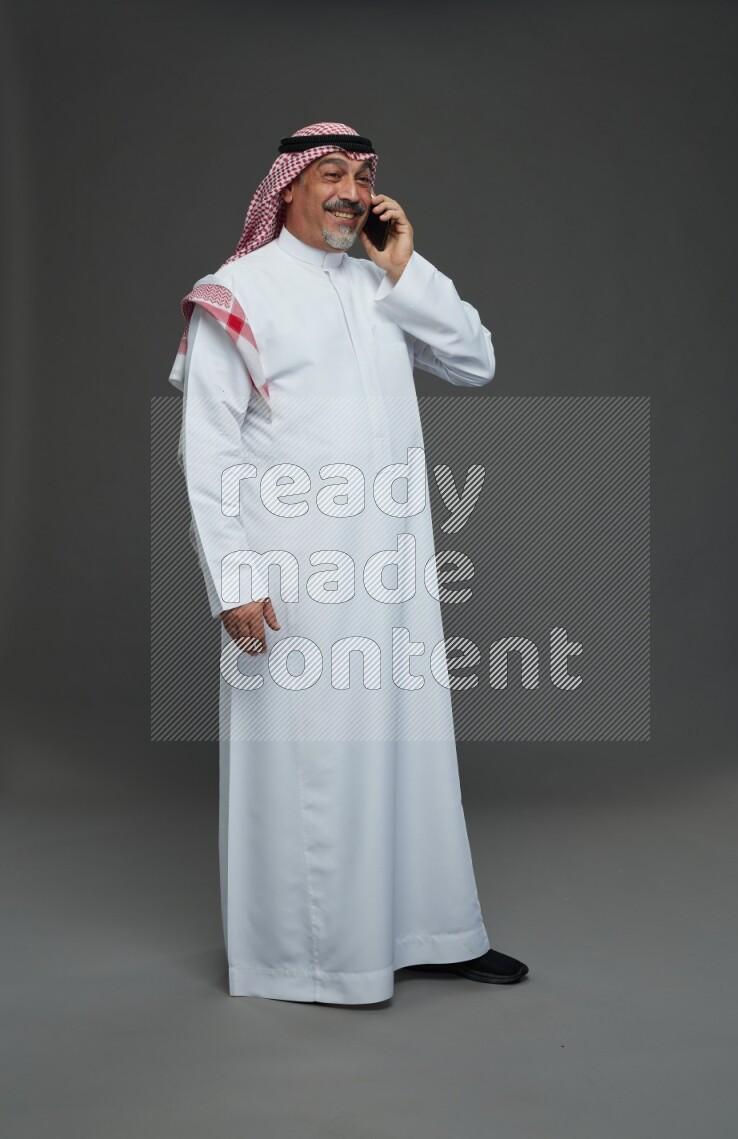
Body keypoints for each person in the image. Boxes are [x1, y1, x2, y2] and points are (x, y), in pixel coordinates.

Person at [168, 121, 528, 1003]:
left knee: (409, 748)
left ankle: (432, 931)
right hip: (297, 577)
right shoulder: (237, 292)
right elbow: (207, 451)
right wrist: (237, 582)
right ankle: (317, 958)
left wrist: (405, 264)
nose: (352, 192)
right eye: (332, 173)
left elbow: (475, 361)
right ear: (285, 187)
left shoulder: (383, 283)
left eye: (363, 176)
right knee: (317, 758)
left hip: (393, 568)